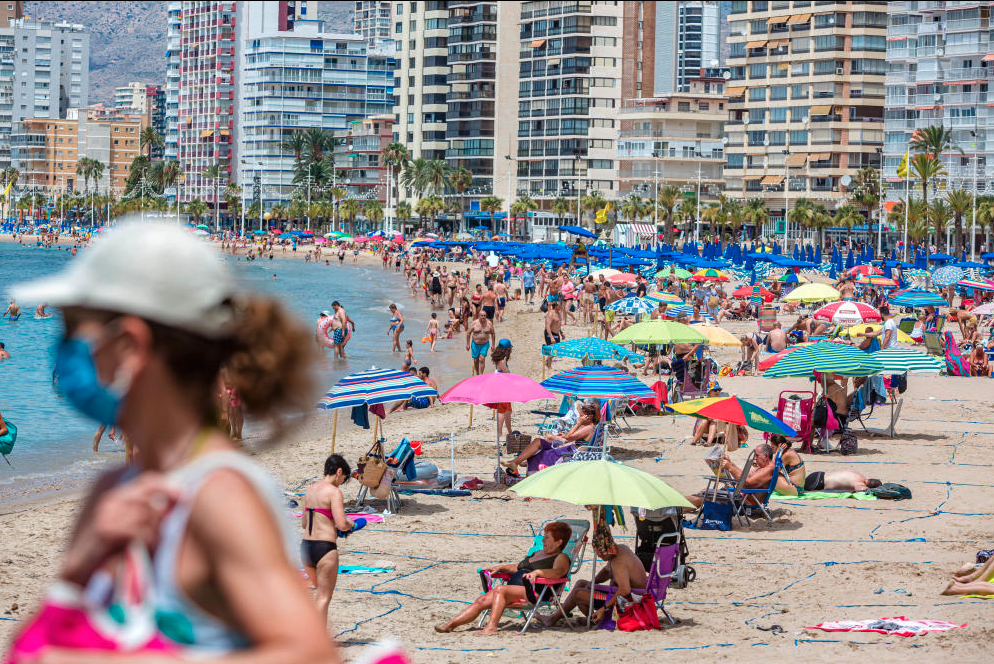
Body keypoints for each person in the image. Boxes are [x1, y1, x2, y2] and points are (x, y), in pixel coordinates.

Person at [10, 223, 338, 659]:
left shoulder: (216, 493)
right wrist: (79, 565)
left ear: (129, 346)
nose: (62, 349)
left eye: (72, 328)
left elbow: (308, 651)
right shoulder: (116, 486)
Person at [434, 521, 573, 635]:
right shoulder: (538, 553)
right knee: (482, 600)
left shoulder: (561, 557)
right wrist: (500, 568)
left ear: (559, 542)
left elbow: (558, 572)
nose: (543, 540)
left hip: (535, 593)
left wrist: (538, 573)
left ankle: (491, 627)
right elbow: (518, 567)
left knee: (500, 590)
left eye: (547, 537)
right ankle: (451, 625)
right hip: (515, 590)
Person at [300, 455, 361, 625]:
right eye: (343, 479)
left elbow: (304, 523)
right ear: (339, 471)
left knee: (318, 594)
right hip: (324, 548)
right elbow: (341, 524)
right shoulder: (334, 492)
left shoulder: (310, 489)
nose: (341, 482)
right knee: (323, 597)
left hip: (306, 548)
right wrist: (352, 524)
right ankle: (317, 639)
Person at [539, 540, 646, 628]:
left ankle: (553, 619)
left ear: (607, 550)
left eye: (600, 553)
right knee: (581, 583)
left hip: (631, 601)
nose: (599, 557)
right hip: (629, 594)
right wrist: (592, 583)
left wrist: (603, 609)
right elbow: (606, 571)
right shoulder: (619, 550)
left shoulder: (618, 562)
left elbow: (625, 590)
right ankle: (590, 619)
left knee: (578, 594)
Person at [501, 403, 600, 475]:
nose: (579, 417)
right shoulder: (589, 427)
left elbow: (570, 437)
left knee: (539, 450)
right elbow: (570, 436)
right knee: (538, 441)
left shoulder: (588, 428)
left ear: (589, 416)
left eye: (581, 415)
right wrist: (566, 435)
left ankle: (518, 463)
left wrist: (578, 423)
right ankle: (516, 462)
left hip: (570, 453)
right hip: (569, 448)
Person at [686, 443, 777, 508]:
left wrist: (730, 467)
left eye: (757, 456)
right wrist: (731, 463)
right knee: (704, 493)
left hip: (745, 501)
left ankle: (678, 507)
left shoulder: (769, 469)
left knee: (706, 495)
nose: (755, 458)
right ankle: (681, 506)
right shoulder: (762, 468)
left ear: (766, 456)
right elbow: (745, 476)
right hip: (740, 495)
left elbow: (747, 483)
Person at [489, 339, 514, 439]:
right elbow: (507, 373)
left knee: (504, 410)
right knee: (505, 411)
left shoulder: (499, 359)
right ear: (507, 349)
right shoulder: (502, 361)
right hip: (503, 388)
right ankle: (504, 432)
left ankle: (506, 431)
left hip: (499, 387)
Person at [802, 469, 882, 493]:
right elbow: (863, 491)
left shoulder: (859, 474)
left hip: (817, 474)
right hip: (817, 483)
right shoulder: (859, 484)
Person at [544, 300, 563, 371]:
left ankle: (547, 362)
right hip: (550, 333)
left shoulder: (558, 313)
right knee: (552, 351)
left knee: (557, 350)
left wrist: (561, 333)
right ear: (555, 307)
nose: (561, 306)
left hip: (557, 333)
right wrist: (551, 337)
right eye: (559, 305)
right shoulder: (550, 314)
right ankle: (549, 366)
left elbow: (558, 324)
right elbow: (547, 326)